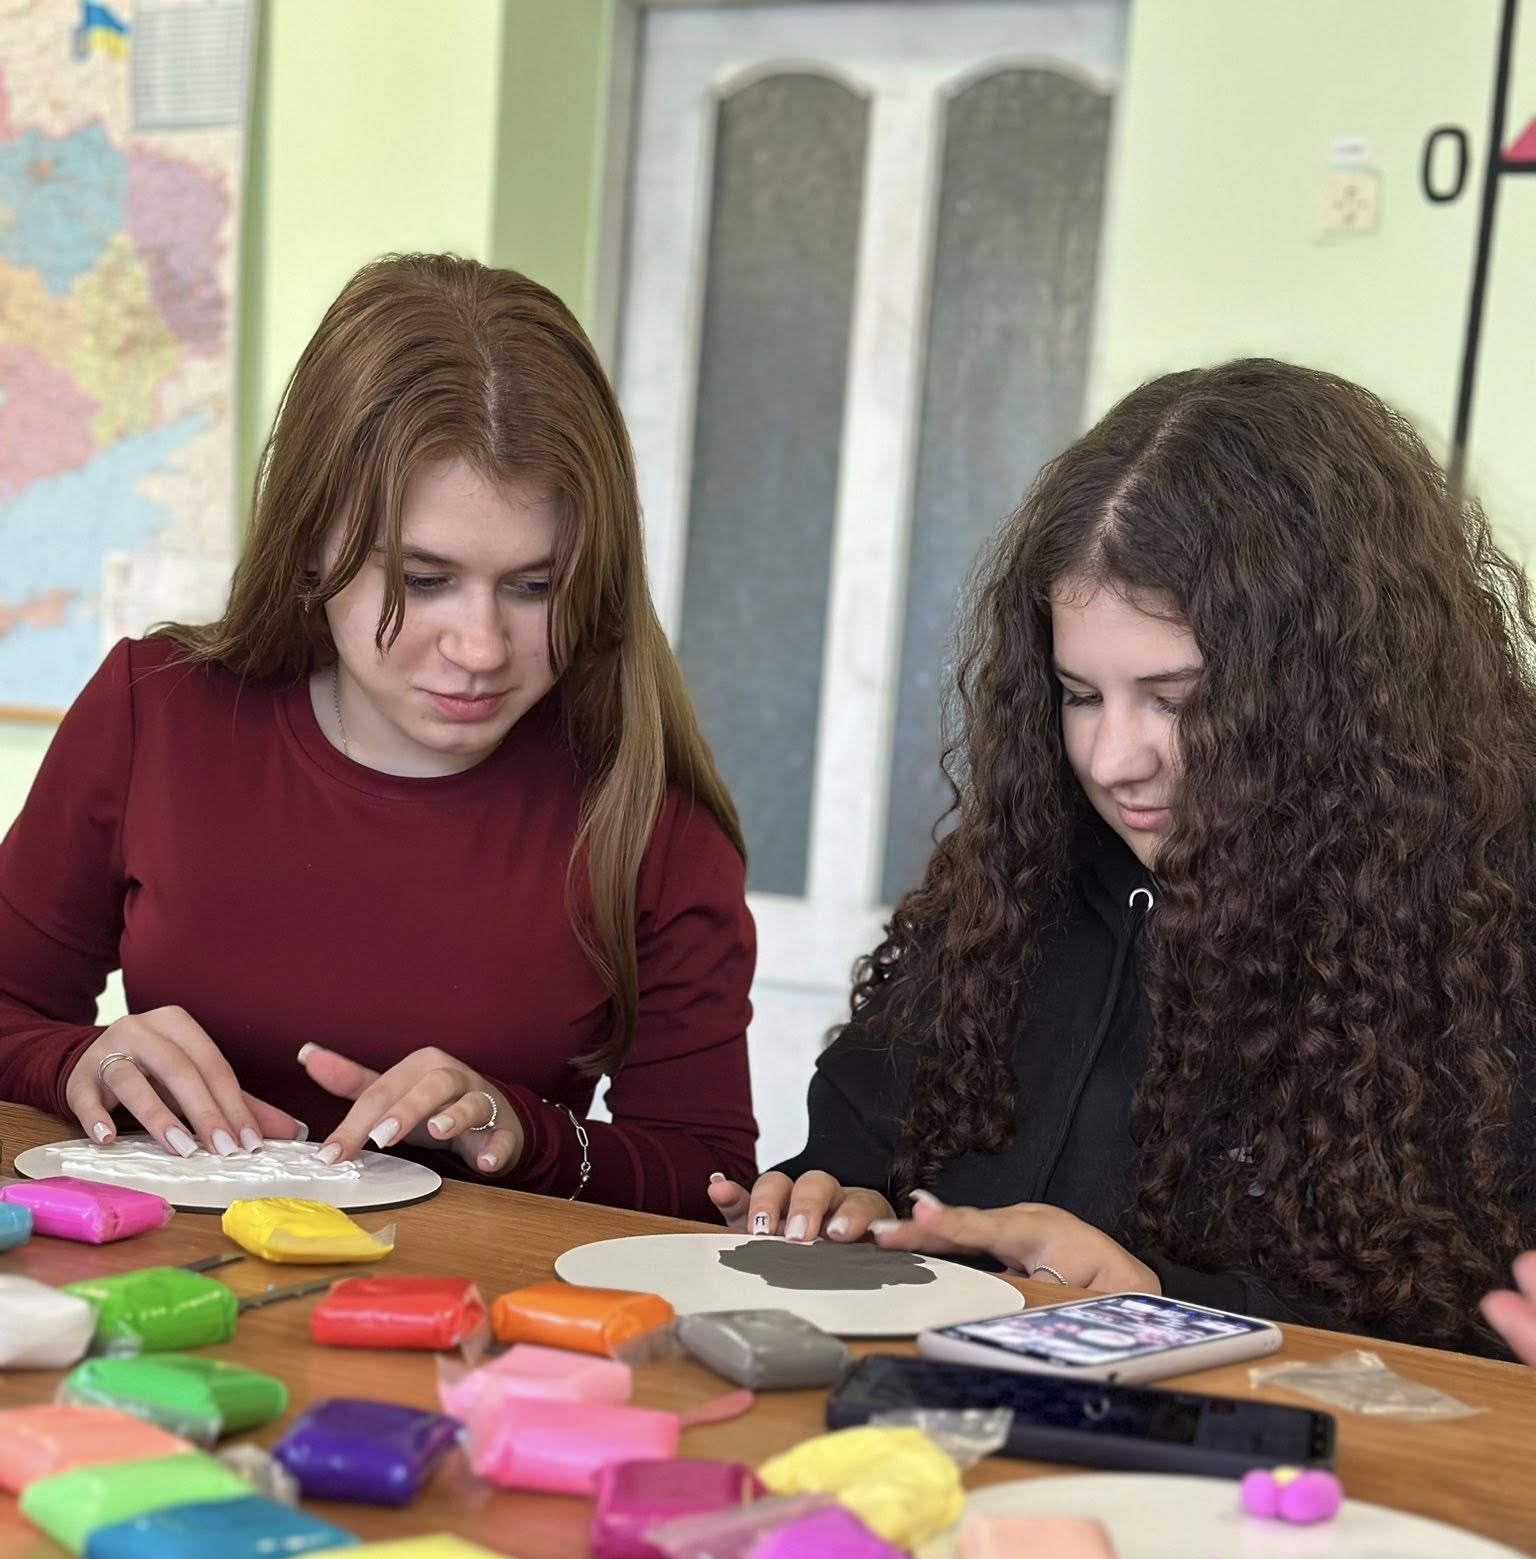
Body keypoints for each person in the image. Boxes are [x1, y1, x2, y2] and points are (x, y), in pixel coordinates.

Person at [712, 358, 1536, 1350]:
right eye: (1080, 695)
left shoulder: (1493, 927)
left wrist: (1162, 1303)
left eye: (1177, 701)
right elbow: (860, 1151)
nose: (1113, 760)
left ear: (1336, 693)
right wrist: (835, 1204)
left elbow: (1483, 1349)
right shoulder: (1020, 877)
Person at [0, 254, 756, 1219]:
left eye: (536, 586)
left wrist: (523, 1134)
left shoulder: (650, 818)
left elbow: (711, 1180)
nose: (481, 648)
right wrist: (76, 1059)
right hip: (156, 1289)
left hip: (475, 1309)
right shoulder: (155, 710)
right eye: (423, 579)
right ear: (313, 540)